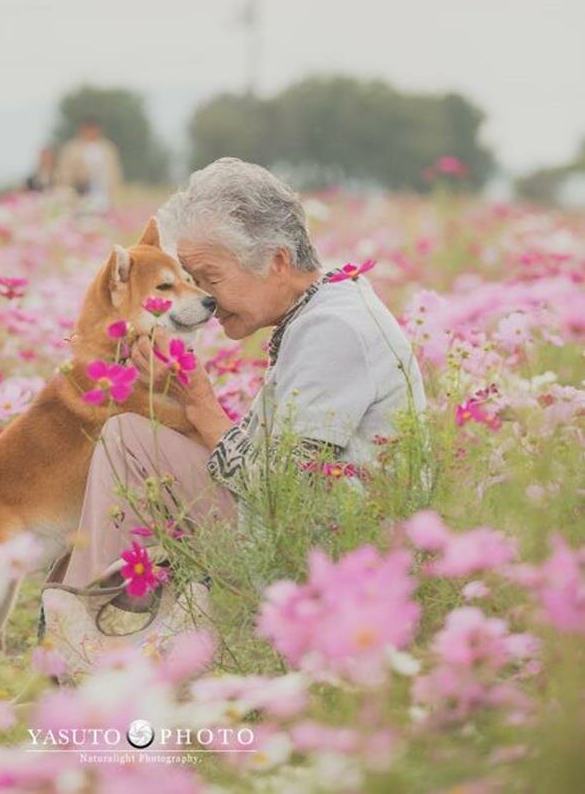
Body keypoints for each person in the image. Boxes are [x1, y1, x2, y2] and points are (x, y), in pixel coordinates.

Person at [54, 156, 427, 605]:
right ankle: (100, 611)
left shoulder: (334, 329)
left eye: (210, 278)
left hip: (332, 553)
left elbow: (285, 491)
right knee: (133, 437)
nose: (206, 300)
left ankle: (87, 622)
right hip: (318, 531)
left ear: (277, 261)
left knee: (129, 440)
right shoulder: (322, 308)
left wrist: (201, 405)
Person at [53, 118, 123, 214]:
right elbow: (64, 172)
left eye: (94, 130)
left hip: (103, 192)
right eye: (88, 130)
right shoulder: (72, 149)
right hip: (79, 192)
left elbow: (114, 172)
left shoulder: (107, 149)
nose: (91, 133)